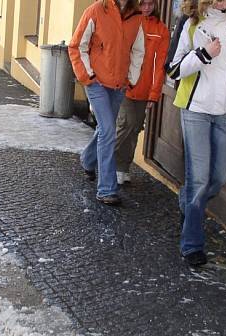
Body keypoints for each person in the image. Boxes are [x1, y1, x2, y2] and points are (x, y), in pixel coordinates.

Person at [166, 0, 226, 266]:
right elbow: (172, 68)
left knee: (219, 176)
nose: (224, 1)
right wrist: (203, 54)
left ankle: (187, 203)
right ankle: (192, 244)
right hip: (196, 108)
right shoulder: (191, 20)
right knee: (199, 179)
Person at [69, 0, 144, 206]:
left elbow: (138, 51)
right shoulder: (95, 11)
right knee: (109, 130)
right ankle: (106, 189)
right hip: (97, 83)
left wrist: (131, 78)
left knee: (105, 130)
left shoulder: (135, 17)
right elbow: (76, 46)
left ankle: (88, 160)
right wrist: (87, 76)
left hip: (119, 85)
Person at [114, 0, 170, 185]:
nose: (146, 8)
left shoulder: (161, 30)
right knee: (125, 125)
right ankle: (109, 165)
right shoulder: (129, 22)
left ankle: (122, 166)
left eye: (150, 4)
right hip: (124, 85)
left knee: (134, 128)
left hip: (144, 89)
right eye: (142, 4)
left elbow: (160, 66)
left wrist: (154, 94)